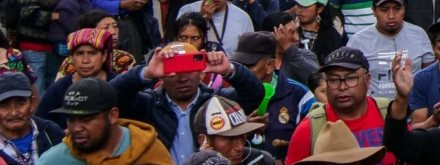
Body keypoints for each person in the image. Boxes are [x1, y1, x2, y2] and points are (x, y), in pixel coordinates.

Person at [110, 44, 265, 165]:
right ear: (161, 77)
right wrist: (145, 73)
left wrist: (230, 70)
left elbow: (255, 93)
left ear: (201, 72)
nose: (182, 78)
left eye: (189, 69)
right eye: (174, 70)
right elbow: (111, 97)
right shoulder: (147, 104)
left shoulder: (216, 101)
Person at [287, 48, 396, 165]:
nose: (342, 87)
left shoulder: (389, 113)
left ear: (368, 80)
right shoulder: (309, 128)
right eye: (334, 80)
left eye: (351, 78)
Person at [38, 77, 175, 165]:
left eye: (86, 119)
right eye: (71, 120)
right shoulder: (54, 160)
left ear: (112, 116)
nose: (76, 128)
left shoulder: (149, 150)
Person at [227, 32, 312, 163]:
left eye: (249, 66)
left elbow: (314, 142)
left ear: (270, 66)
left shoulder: (300, 94)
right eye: (239, 64)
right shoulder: (228, 96)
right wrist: (244, 131)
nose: (242, 71)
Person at [348, 0, 435, 101]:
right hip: (376, 109)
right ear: (373, 11)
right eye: (384, 10)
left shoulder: (419, 35)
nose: (391, 16)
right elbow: (351, 82)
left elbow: (430, 77)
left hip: (414, 107)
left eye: (397, 8)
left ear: (404, 8)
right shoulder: (358, 42)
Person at [0, 73, 65, 165]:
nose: (14, 112)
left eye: (20, 104)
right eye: (4, 106)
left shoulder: (52, 134)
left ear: (32, 103)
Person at [175, 0, 254, 53]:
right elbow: (179, 47)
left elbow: (249, 52)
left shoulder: (242, 17)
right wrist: (203, 18)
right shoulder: (187, 11)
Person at [194, 96, 274, 165]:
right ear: (203, 140)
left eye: (242, 136)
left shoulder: (261, 160)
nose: (240, 147)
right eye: (229, 139)